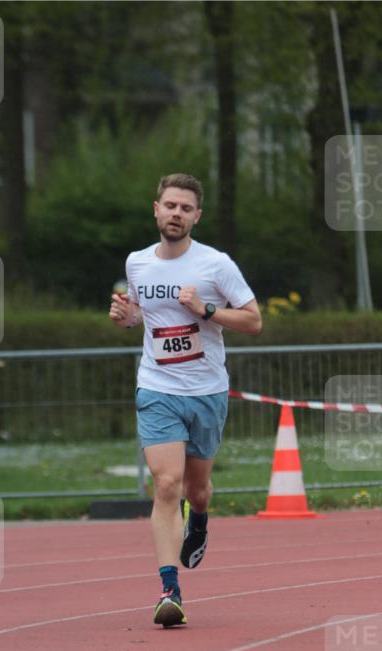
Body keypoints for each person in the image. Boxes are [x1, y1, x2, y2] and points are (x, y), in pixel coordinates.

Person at [109, 173, 261, 627]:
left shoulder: (216, 265)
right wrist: (126, 316)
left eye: (185, 208)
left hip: (207, 391)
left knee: (196, 489)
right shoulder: (138, 263)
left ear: (197, 216)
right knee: (166, 485)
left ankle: (200, 519)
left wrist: (207, 310)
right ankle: (168, 589)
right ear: (155, 209)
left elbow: (254, 321)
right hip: (157, 388)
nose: (176, 214)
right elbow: (141, 315)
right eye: (169, 205)